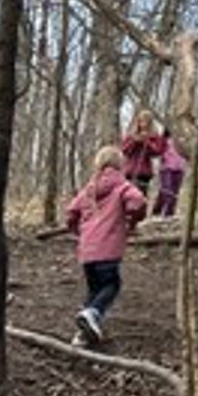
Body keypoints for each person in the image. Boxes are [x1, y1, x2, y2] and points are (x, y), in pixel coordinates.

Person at [65, 144, 147, 346]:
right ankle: (91, 314)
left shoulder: (88, 190)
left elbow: (70, 213)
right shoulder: (122, 186)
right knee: (112, 285)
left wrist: (77, 230)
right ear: (120, 165)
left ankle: (83, 334)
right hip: (108, 250)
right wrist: (133, 218)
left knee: (94, 290)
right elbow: (138, 201)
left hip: (87, 252)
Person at [121, 109, 166, 196]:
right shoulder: (131, 135)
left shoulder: (154, 136)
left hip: (144, 172)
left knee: (140, 195)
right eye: (141, 121)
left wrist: (146, 142)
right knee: (127, 194)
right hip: (130, 170)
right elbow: (124, 150)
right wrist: (134, 141)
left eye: (146, 122)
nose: (143, 124)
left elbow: (157, 152)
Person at [153, 132, 188, 217]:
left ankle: (169, 214)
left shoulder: (183, 138)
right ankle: (164, 213)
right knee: (168, 192)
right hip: (167, 168)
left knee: (174, 193)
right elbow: (158, 151)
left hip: (179, 168)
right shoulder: (165, 139)